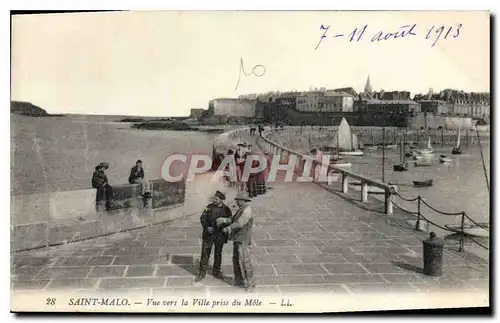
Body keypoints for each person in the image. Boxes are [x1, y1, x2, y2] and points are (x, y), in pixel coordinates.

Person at [217, 194, 255, 292]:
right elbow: (233, 220)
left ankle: (250, 284)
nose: (237, 202)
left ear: (243, 200)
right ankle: (239, 281)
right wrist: (224, 220)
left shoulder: (247, 211)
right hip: (237, 239)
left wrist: (228, 228)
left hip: (243, 240)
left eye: (238, 200)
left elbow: (239, 223)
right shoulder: (241, 209)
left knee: (244, 262)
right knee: (236, 260)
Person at [195, 191, 233, 282]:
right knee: (205, 254)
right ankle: (202, 273)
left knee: (218, 254)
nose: (214, 200)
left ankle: (216, 272)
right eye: (214, 198)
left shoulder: (227, 209)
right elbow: (202, 218)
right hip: (208, 235)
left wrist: (225, 228)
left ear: (221, 200)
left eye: (216, 199)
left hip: (219, 236)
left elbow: (230, 221)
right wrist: (207, 227)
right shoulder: (209, 207)